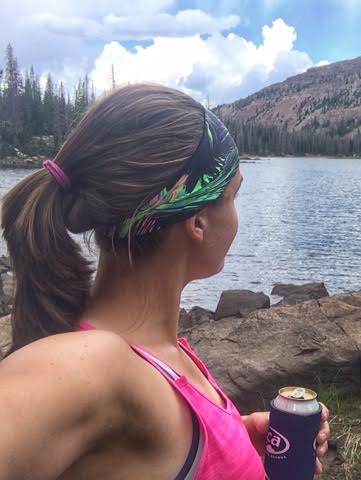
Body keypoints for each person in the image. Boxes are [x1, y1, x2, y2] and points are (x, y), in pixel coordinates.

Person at [0, 83, 330, 479]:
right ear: (197, 221)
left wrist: (232, 443)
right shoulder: (94, 365)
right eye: (233, 196)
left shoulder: (158, 355)